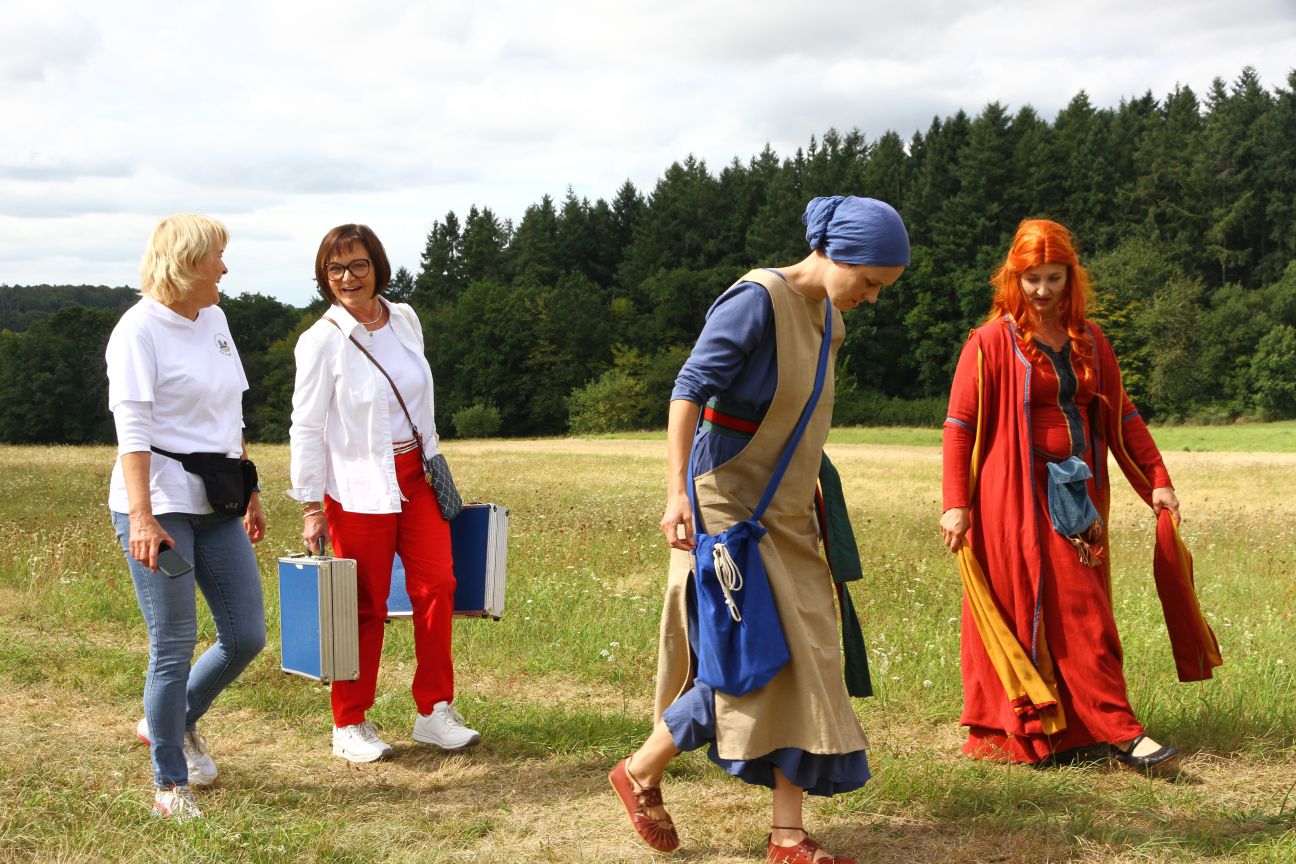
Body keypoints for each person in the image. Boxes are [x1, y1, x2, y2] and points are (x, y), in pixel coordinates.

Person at [609, 196, 909, 864]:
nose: (872, 297)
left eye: (881, 287)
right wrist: (676, 494)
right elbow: (689, 390)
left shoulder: (830, 318)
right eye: (869, 282)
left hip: (790, 508)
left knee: (807, 658)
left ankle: (786, 836)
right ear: (834, 253)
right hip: (727, 501)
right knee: (749, 659)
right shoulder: (757, 300)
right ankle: (641, 770)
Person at [939, 218, 1221, 776]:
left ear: (1071, 277)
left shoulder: (1090, 340)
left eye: (1054, 277)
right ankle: (1066, 732)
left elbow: (1124, 415)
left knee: (1084, 610)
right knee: (1024, 607)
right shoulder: (987, 343)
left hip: (1076, 497)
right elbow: (959, 426)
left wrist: (1157, 479)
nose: (1043, 290)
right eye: (1032, 279)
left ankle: (1103, 727)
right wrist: (956, 504)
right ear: (1013, 278)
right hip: (1008, 500)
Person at [288, 223, 478, 763]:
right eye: (335, 268)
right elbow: (307, 426)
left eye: (358, 265)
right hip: (356, 486)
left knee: (438, 587)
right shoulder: (321, 340)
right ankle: (349, 721)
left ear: (377, 268)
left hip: (416, 477)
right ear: (324, 276)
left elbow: (419, 400)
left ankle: (434, 711)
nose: (347, 277)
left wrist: (432, 459)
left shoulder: (405, 319)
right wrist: (310, 504)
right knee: (364, 606)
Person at [106, 214, 267, 821]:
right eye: (216, 257)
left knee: (246, 636)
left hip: (217, 502)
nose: (225, 267)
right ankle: (170, 786)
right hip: (159, 506)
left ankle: (169, 721)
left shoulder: (216, 320)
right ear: (186, 264)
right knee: (172, 643)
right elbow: (133, 432)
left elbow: (232, 414)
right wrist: (142, 517)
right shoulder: (137, 331)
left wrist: (249, 488)